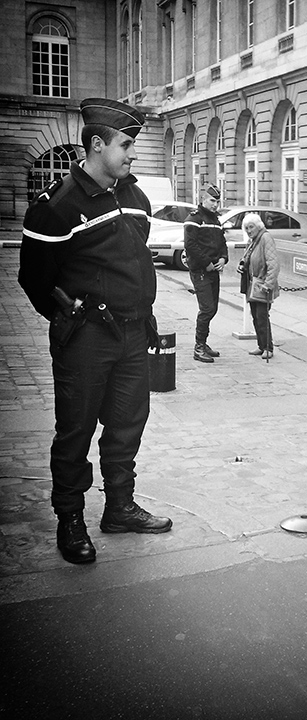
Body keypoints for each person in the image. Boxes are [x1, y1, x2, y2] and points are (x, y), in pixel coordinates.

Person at [18, 97, 173, 565]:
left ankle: (119, 508)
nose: (132, 155)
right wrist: (70, 319)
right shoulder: (57, 207)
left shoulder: (136, 197)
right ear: (97, 144)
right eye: (126, 145)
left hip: (132, 334)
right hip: (85, 339)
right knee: (75, 432)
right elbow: (35, 278)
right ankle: (70, 519)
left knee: (128, 424)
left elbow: (136, 260)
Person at [184, 183, 228, 363]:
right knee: (207, 308)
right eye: (212, 200)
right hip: (201, 270)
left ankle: (203, 342)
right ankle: (199, 347)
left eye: (217, 201)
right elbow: (190, 245)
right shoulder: (194, 218)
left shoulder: (216, 221)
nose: (215, 204)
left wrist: (224, 258)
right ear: (203, 199)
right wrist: (207, 263)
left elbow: (222, 243)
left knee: (213, 308)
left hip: (213, 270)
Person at [238, 213, 279, 360]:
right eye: (246, 228)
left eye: (251, 227)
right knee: (255, 316)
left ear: (258, 226)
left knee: (262, 316)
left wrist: (269, 284)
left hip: (262, 285)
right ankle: (261, 346)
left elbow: (273, 264)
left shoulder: (265, 238)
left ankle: (268, 347)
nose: (249, 230)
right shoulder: (253, 240)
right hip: (253, 284)